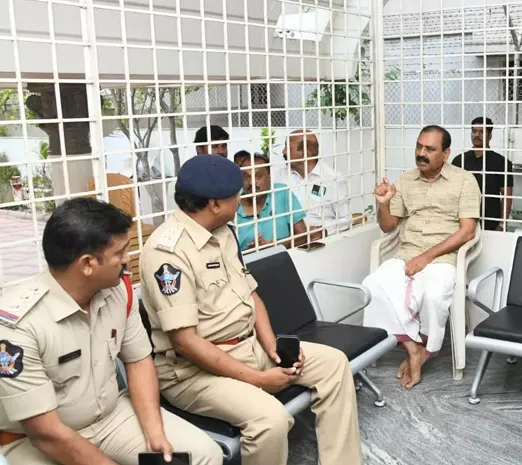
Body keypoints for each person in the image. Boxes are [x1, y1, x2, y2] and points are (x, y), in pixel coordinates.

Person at [138, 155, 361, 465]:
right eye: (236, 195)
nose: (241, 199)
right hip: (193, 373)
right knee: (271, 419)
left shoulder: (223, 231)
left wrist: (272, 347)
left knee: (334, 365)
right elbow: (185, 342)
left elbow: (251, 294)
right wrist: (259, 379)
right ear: (215, 204)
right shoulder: (167, 252)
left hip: (249, 348)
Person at [0, 198, 222, 465]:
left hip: (110, 418)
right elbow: (46, 433)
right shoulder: (18, 327)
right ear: (87, 264)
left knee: (204, 455)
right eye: (120, 253)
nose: (128, 260)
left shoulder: (118, 290)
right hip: (36, 440)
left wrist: (154, 431)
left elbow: (138, 361)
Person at [361, 125, 481, 389]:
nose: (421, 153)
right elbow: (388, 226)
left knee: (434, 295)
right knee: (372, 286)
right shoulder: (405, 181)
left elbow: (468, 231)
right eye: (419, 146)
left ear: (446, 153)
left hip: (443, 258)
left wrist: (426, 257)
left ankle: (426, 350)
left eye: (430, 149)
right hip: (406, 254)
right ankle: (412, 347)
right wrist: (383, 203)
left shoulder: (464, 181)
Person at [279, 129, 351, 237]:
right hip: (287, 240)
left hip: (321, 242)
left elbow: (346, 219)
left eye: (288, 147)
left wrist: (323, 230)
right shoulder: (279, 177)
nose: (283, 151)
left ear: (304, 153)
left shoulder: (333, 179)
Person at [233, 150, 309, 250]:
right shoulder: (233, 206)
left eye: (258, 176)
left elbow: (303, 235)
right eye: (246, 177)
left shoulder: (281, 192)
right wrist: (251, 252)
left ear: (269, 177)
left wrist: (275, 246)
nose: (251, 182)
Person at [451, 117, 514, 231]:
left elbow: (507, 196)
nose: (477, 135)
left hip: (491, 222)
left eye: (481, 132)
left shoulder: (502, 163)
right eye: (474, 131)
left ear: (490, 136)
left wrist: (502, 224)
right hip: (463, 221)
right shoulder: (459, 161)